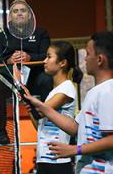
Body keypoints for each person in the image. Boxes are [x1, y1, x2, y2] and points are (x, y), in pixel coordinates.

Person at [24, 31, 113, 173]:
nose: (85, 59)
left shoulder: (108, 92)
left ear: (100, 59)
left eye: (88, 54)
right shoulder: (93, 93)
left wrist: (74, 149)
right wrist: (40, 106)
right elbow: (75, 128)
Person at [0, 0, 52, 144]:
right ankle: (1, 131)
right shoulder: (1, 37)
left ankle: (49, 121)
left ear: (29, 15)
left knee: (47, 80)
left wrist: (29, 57)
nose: (19, 13)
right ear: (10, 16)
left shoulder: (41, 33)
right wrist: (8, 60)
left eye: (23, 10)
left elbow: (47, 56)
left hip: (34, 77)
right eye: (15, 11)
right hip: (10, 80)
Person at [23, 41, 83, 174]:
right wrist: (29, 108)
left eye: (49, 57)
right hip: (44, 159)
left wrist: (23, 90)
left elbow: (40, 112)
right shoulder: (53, 92)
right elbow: (40, 127)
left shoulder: (67, 88)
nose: (44, 61)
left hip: (57, 161)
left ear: (62, 63)